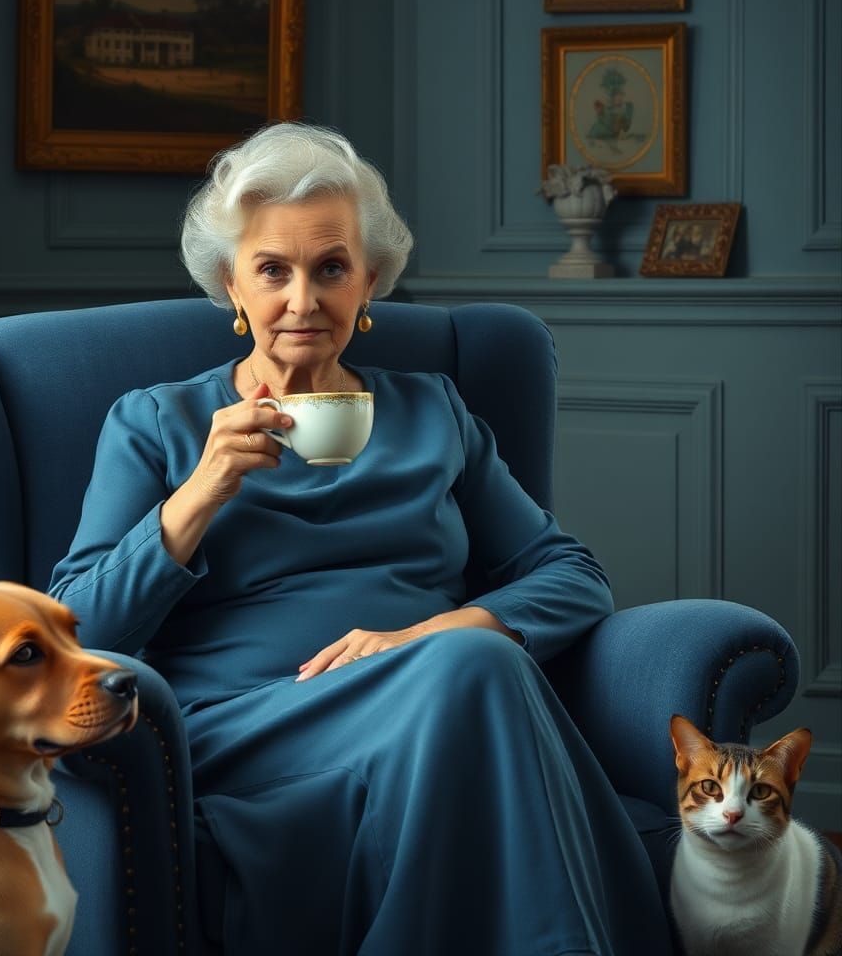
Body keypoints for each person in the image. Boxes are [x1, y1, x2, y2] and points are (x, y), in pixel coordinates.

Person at [50, 123, 671, 955]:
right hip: (244, 723)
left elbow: (571, 574)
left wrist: (422, 639)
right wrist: (199, 494)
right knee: (483, 670)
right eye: (272, 270)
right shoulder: (158, 423)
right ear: (231, 286)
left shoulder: (435, 411)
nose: (303, 300)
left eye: (331, 268)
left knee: (475, 662)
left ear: (369, 282)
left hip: (441, 702)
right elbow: (72, 628)